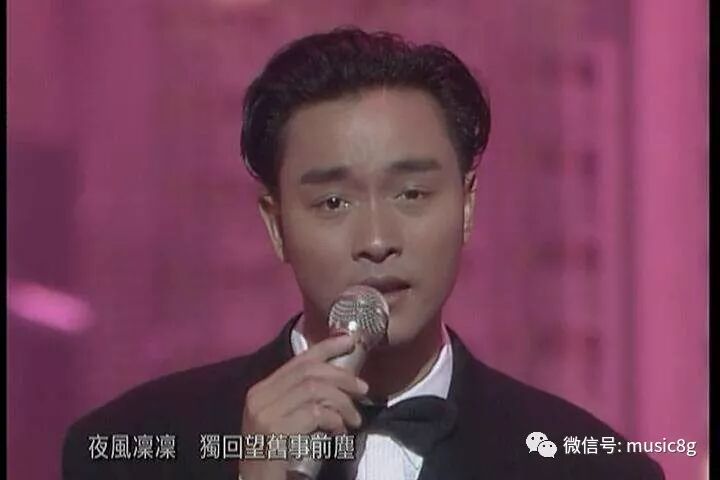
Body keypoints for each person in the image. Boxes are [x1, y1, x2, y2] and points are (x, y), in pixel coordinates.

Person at [63, 27, 665, 480]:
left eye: (411, 194)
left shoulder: (593, 468)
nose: (377, 240)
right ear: (276, 225)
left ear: (466, 206)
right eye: (332, 202)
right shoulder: (128, 449)